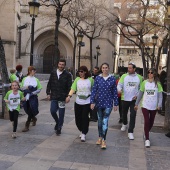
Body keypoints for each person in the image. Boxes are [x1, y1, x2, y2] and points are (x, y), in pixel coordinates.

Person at [90, 63, 118, 149]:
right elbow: (94, 90)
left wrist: (116, 103)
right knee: (99, 121)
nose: (105, 69)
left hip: (108, 103)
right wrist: (92, 102)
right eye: (103, 68)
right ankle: (100, 137)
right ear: (101, 69)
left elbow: (114, 92)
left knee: (105, 121)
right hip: (99, 103)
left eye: (106, 68)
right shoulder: (98, 78)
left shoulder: (112, 79)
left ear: (109, 68)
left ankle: (104, 140)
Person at [134, 68, 163, 147]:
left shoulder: (158, 84)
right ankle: (147, 139)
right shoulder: (144, 83)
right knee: (146, 121)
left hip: (154, 106)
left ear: (154, 74)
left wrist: (159, 105)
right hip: (145, 105)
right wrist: (136, 104)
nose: (150, 74)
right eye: (148, 72)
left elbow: (160, 96)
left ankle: (146, 131)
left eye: (151, 73)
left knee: (151, 122)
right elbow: (140, 94)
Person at [67, 66, 94, 142]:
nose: (80, 73)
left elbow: (94, 89)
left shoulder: (90, 80)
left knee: (85, 117)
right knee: (78, 118)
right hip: (78, 101)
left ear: (85, 72)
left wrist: (93, 101)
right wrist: (69, 96)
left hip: (87, 101)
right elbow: (73, 88)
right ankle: (81, 130)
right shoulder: (77, 80)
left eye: (82, 71)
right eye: (79, 71)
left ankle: (84, 133)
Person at [117, 63, 143, 140]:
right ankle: (124, 123)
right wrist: (119, 89)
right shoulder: (124, 76)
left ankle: (130, 131)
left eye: (130, 68)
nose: (128, 69)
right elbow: (119, 84)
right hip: (124, 98)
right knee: (124, 113)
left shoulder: (139, 77)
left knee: (133, 115)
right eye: (128, 68)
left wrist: (138, 95)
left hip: (134, 100)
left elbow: (141, 88)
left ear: (134, 69)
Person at [46, 59, 72, 135]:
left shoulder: (67, 74)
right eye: (60, 64)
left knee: (61, 113)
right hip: (54, 95)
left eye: (62, 65)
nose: (61, 66)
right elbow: (49, 83)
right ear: (58, 64)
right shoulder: (53, 72)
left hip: (62, 97)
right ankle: (57, 122)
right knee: (53, 111)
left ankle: (59, 127)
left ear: (64, 65)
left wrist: (68, 96)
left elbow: (69, 86)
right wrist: (48, 93)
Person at [21, 66, 42, 132]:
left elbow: (39, 89)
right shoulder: (24, 79)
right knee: (27, 109)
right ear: (30, 71)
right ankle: (34, 118)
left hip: (33, 97)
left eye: (35, 70)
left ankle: (27, 125)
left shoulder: (36, 80)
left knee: (31, 109)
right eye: (33, 70)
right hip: (26, 97)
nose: (35, 72)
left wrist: (33, 93)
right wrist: (26, 87)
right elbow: (21, 88)